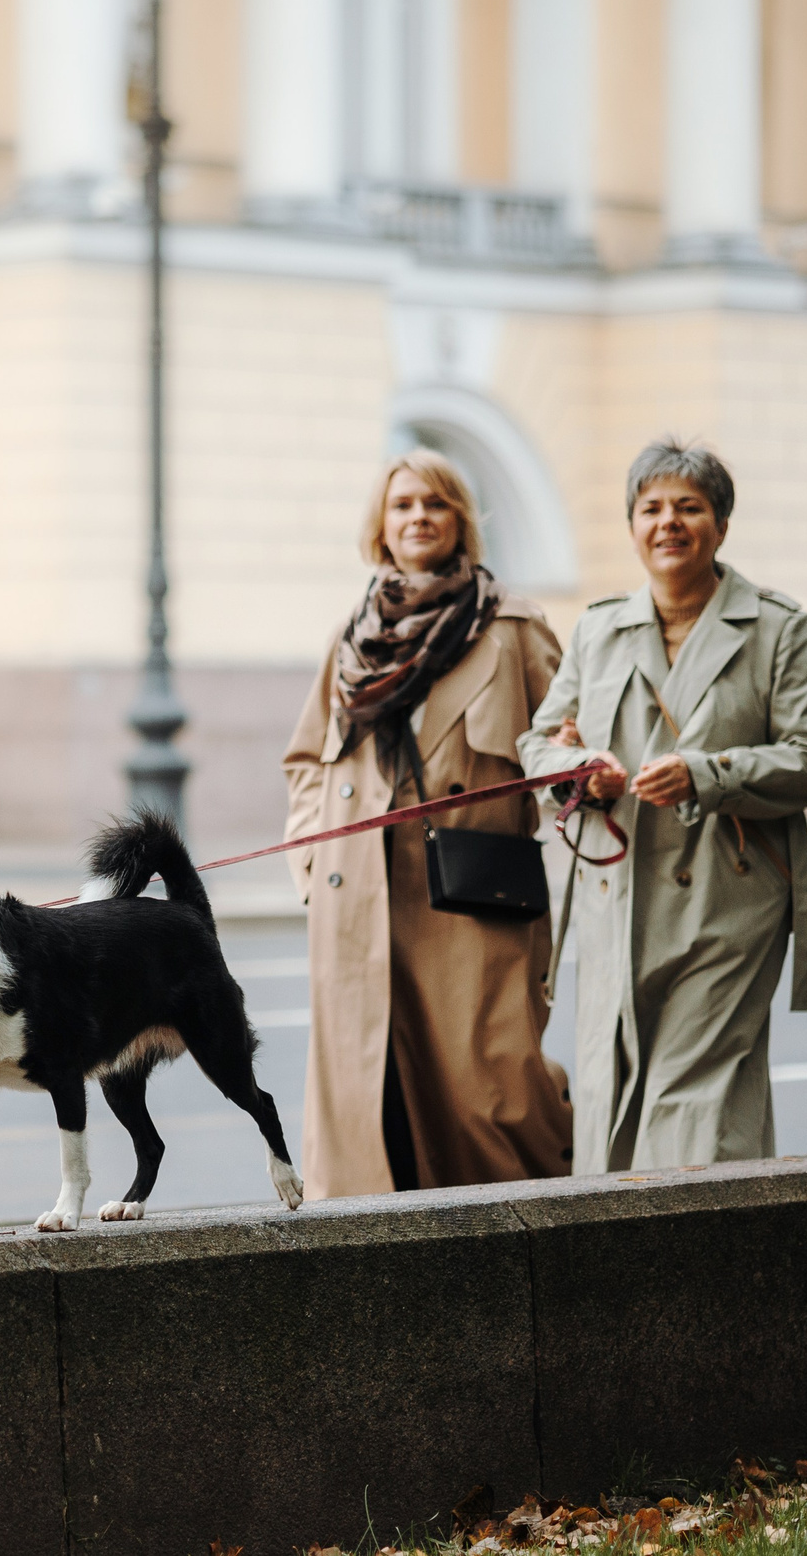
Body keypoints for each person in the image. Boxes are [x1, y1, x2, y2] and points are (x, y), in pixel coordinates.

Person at [518, 438, 807, 1174]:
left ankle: (699, 1257)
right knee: (611, 1089)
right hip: (616, 899)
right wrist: (582, 769)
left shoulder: (774, 625)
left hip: (729, 901)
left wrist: (708, 774)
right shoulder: (599, 628)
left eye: (688, 507)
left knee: (697, 1096)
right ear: (632, 526)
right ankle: (618, 1254)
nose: (669, 522)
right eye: (651, 508)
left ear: (720, 526)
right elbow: (538, 746)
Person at [282, 450, 573, 1197]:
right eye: (404, 504)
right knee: (370, 1102)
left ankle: (539, 1240)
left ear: (461, 521)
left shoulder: (511, 627)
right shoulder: (353, 635)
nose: (419, 517)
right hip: (359, 904)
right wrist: (311, 861)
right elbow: (307, 758)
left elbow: (568, 744)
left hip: (471, 900)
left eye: (436, 504)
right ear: (381, 525)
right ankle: (379, 1266)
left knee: (491, 1098)